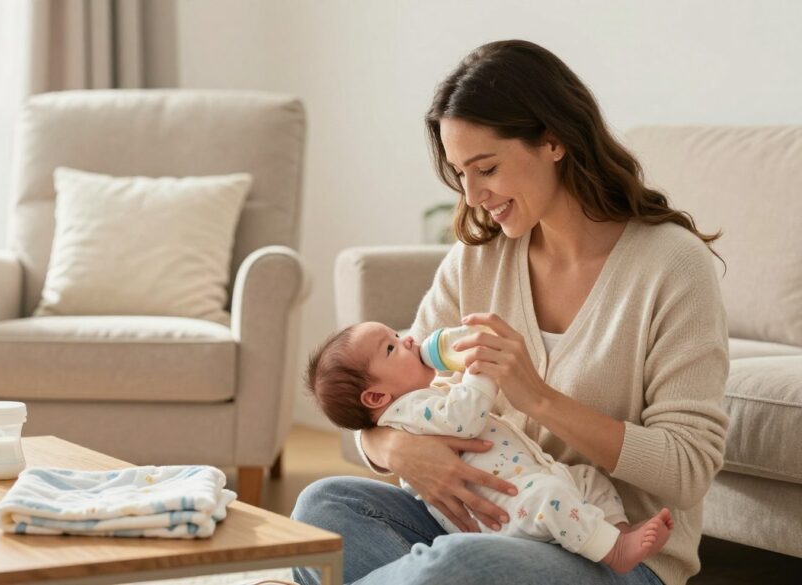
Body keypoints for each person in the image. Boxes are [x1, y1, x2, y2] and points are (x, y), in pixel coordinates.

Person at [291, 39, 729, 585]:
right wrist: (393, 446)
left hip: (612, 553)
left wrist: (537, 397)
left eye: (486, 168)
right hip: (486, 529)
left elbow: (688, 471)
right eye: (460, 174)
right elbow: (389, 388)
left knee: (453, 568)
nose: (473, 196)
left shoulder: (671, 266)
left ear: (553, 140)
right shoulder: (480, 259)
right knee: (325, 507)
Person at [305, 320, 674, 574]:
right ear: (376, 396)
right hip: (505, 513)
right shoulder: (409, 408)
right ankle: (612, 546)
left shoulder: (416, 397)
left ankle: (617, 539)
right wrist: (479, 369)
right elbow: (465, 416)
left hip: (531, 488)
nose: (410, 340)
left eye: (397, 334)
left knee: (587, 480)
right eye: (391, 346)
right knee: (322, 504)